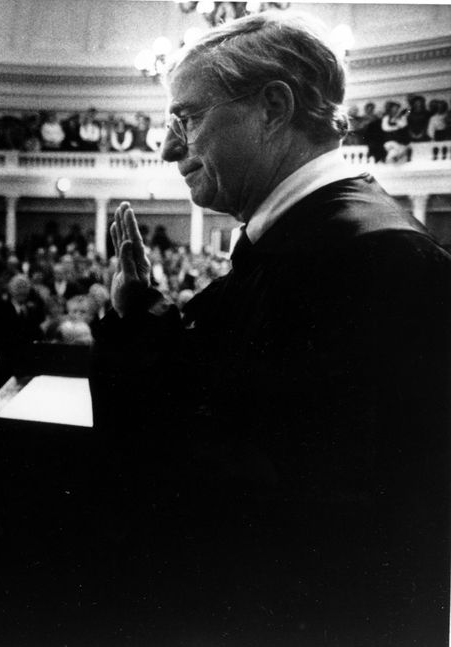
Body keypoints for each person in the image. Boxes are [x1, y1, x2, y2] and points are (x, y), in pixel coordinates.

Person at [90, 11, 451, 644]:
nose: (169, 147)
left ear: (273, 108)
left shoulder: (374, 257)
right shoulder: (305, 238)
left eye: (187, 117)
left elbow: (293, 505)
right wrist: (140, 319)